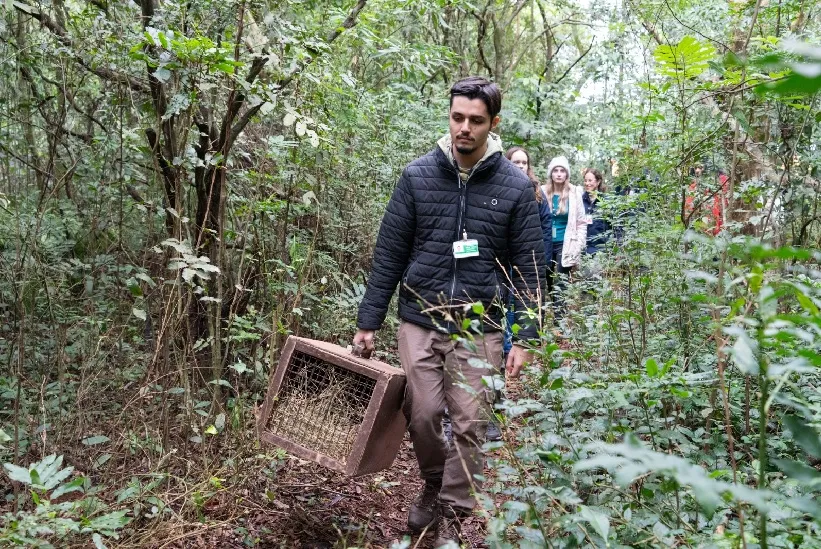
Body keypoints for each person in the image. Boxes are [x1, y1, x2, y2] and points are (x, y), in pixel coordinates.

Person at [353, 76, 546, 546]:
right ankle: (434, 480)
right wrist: (368, 321)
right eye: (457, 117)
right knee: (422, 413)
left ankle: (455, 515)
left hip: (481, 326)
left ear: (493, 124)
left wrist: (525, 337)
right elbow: (390, 254)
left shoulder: (516, 187)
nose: (464, 128)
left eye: (475, 121)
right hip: (420, 316)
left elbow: (529, 268)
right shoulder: (417, 176)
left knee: (470, 420)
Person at [542, 156, 587, 322]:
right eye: (556, 170)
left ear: (567, 174)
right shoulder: (542, 191)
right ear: (551, 173)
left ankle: (560, 322)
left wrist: (579, 245)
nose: (559, 174)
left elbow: (581, 222)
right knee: (547, 280)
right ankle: (544, 319)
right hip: (545, 242)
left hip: (565, 243)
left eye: (562, 171)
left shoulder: (575, 192)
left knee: (560, 281)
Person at [582, 168, 610, 255]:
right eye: (585, 180)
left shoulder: (607, 202)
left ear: (598, 182)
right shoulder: (579, 201)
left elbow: (614, 226)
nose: (587, 183)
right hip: (583, 250)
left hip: (601, 250)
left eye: (590, 180)